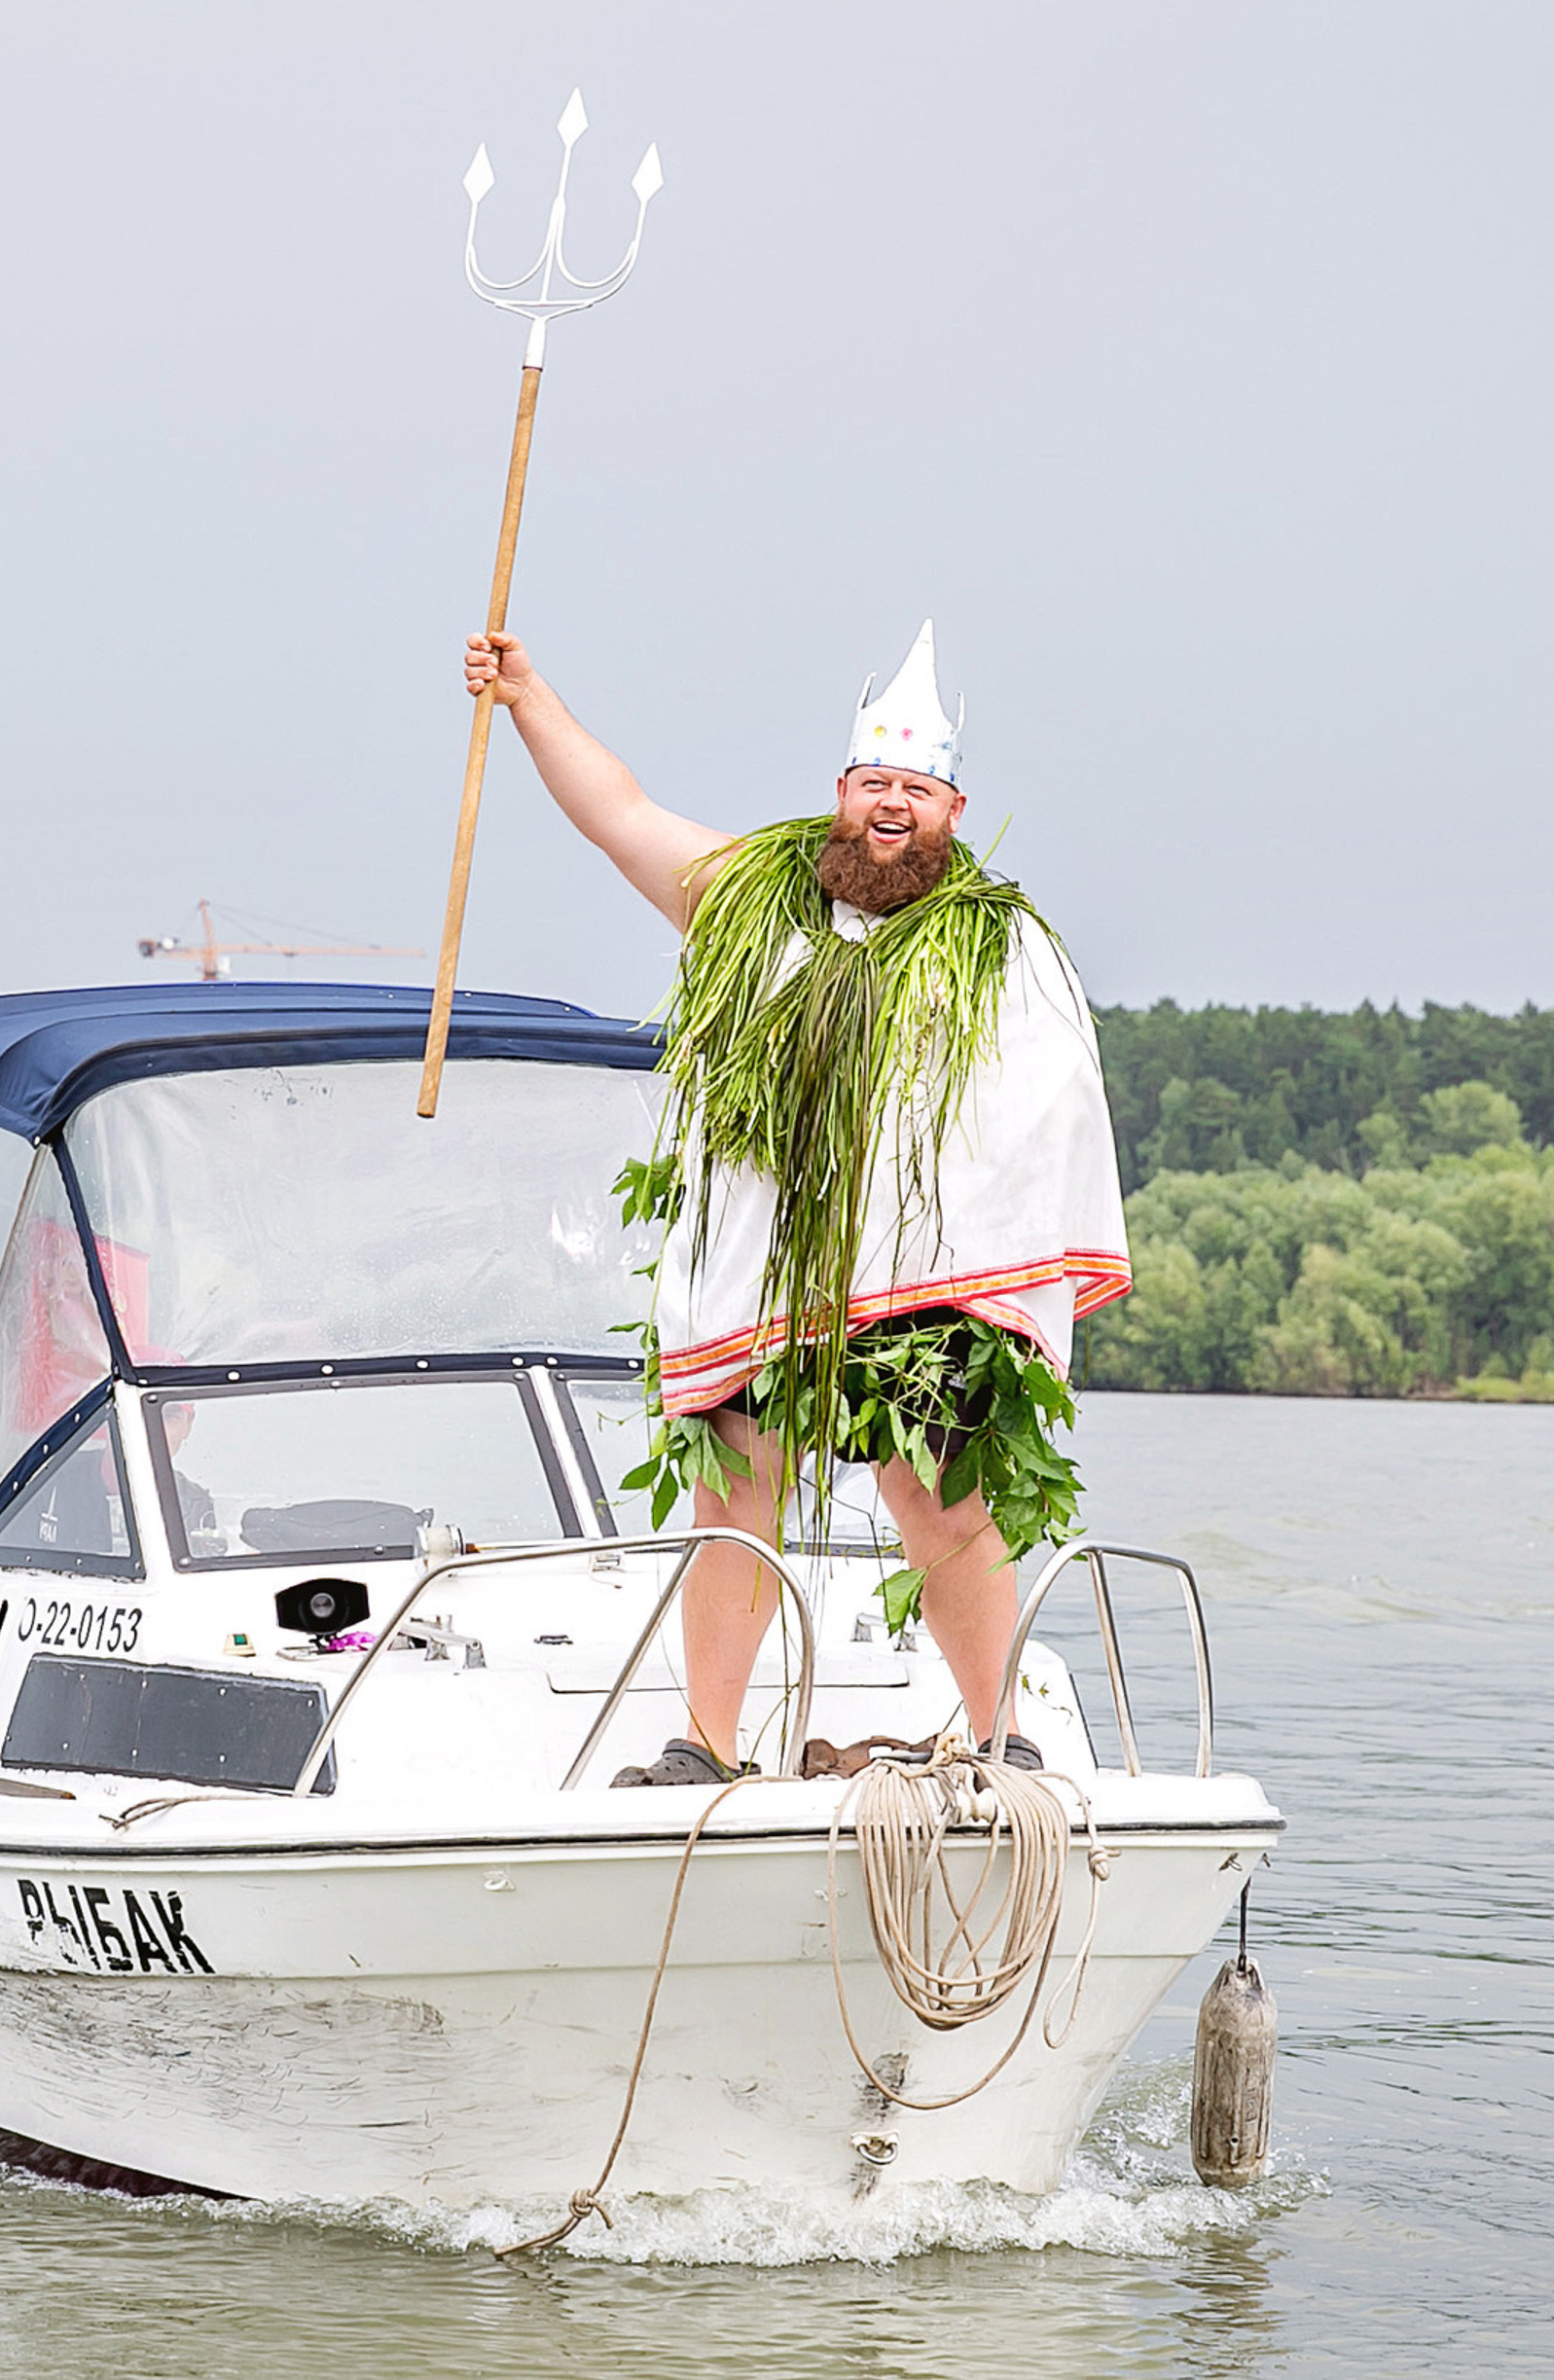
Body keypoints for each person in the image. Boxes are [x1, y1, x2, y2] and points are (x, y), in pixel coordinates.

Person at [461, 621, 1130, 1785]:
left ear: (951, 811)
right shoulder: (749, 899)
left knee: (943, 1498)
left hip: (931, 1276)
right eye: (874, 781)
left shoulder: (1003, 946)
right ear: (839, 792)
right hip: (769, 1274)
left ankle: (998, 1738)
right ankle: (705, 1748)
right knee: (733, 1488)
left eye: (915, 789)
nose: (891, 803)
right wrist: (528, 700)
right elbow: (619, 811)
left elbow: (1046, 1108)